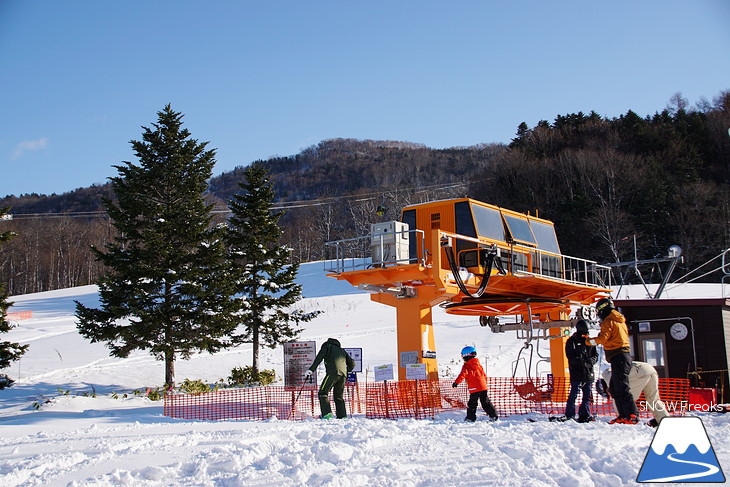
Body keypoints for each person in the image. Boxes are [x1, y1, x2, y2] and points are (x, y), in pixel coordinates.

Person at [586, 297, 640, 424]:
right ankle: (623, 415)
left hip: (619, 356)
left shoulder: (608, 321)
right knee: (614, 388)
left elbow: (602, 339)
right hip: (622, 356)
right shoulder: (619, 320)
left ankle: (632, 414)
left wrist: (587, 341)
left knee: (622, 387)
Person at [600, 361, 668, 427]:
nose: (609, 394)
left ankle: (624, 419)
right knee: (654, 399)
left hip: (636, 371)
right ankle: (664, 419)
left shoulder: (609, 377)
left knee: (621, 399)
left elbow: (622, 397)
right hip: (649, 368)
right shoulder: (609, 372)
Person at [304, 337, 355, 419]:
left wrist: (311, 370)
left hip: (332, 373)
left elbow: (318, 358)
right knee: (338, 396)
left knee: (323, 393)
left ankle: (327, 414)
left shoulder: (327, 347)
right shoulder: (342, 350)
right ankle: (342, 416)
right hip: (343, 375)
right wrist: (346, 370)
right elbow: (352, 364)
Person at [560, 319, 598, 423]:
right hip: (577, 372)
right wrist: (582, 362)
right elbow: (571, 357)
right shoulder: (572, 341)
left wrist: (590, 361)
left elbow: (595, 355)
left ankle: (585, 414)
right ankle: (569, 414)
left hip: (588, 373)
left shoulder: (590, 341)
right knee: (574, 394)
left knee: (587, 395)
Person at [452, 346, 498, 422]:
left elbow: (462, 374)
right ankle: (493, 415)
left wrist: (456, 382)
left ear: (466, 355)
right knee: (485, 402)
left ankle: (470, 417)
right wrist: (484, 384)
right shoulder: (479, 365)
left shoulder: (467, 366)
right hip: (483, 387)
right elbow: (484, 375)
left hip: (474, 388)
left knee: (472, 403)